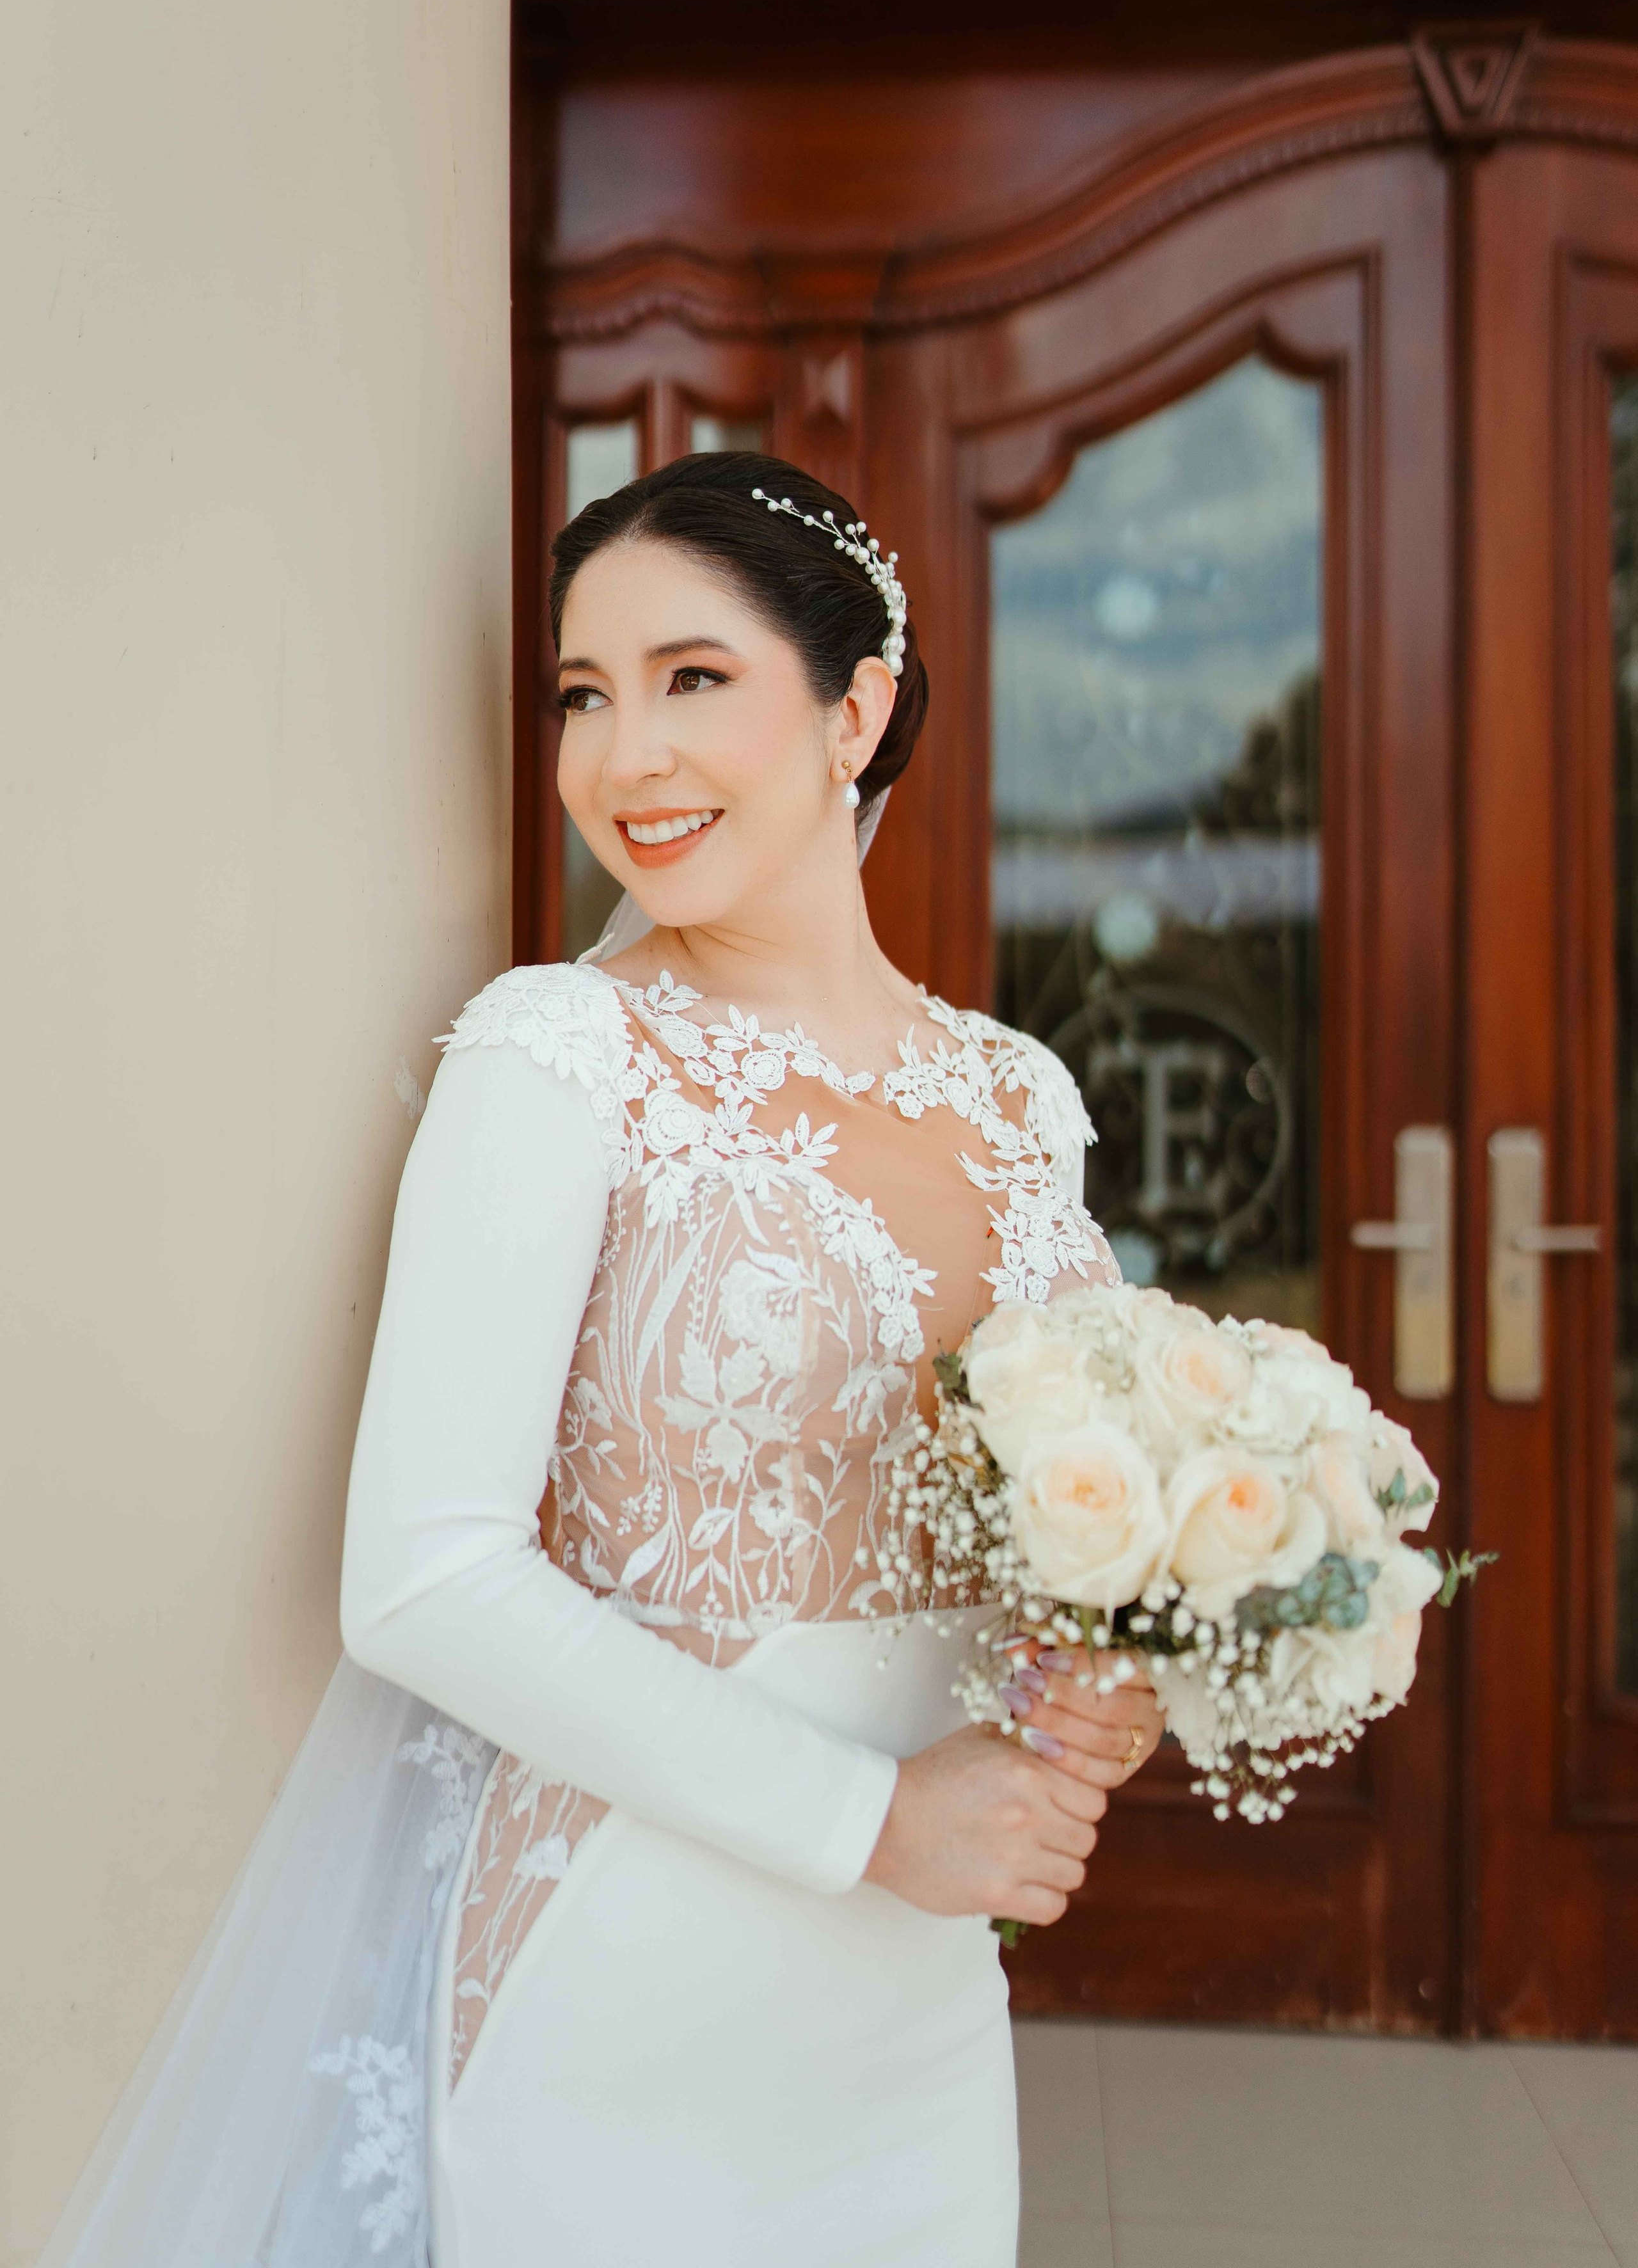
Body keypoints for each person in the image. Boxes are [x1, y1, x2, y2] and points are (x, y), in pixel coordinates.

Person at [39, 451, 1161, 2268]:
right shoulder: (558, 1054)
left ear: (856, 710)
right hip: (632, 1976)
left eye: (690, 678)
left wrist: (1101, 1675)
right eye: (583, 695)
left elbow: (1086, 1516)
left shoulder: (1018, 1095)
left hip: (919, 1999)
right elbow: (423, 1581)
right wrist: (877, 1818)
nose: (623, 757)